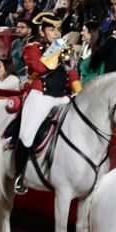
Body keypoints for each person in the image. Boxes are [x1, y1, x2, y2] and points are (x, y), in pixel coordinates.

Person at [13, 11, 82, 194]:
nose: (57, 33)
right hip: (40, 96)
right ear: (42, 32)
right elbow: (39, 67)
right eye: (52, 30)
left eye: (58, 30)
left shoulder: (64, 48)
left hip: (61, 96)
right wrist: (57, 48)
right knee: (27, 135)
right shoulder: (31, 47)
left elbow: (73, 74)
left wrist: (79, 93)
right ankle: (19, 175)